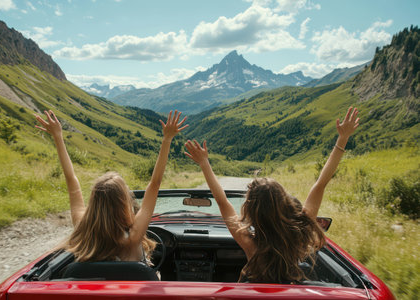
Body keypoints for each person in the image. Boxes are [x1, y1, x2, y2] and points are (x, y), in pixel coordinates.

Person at [184, 107, 360, 284]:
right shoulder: (299, 235)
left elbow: (222, 202)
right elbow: (320, 184)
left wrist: (204, 163)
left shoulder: (251, 244)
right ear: (284, 202)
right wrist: (342, 139)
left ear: (252, 211)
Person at [35, 109, 187, 264]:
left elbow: (72, 182)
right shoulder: (133, 238)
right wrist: (167, 139)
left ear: (94, 202)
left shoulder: (82, 228)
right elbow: (155, 183)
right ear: (124, 203)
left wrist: (58, 137)